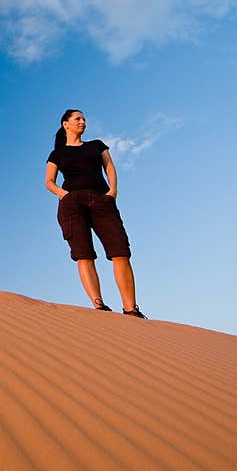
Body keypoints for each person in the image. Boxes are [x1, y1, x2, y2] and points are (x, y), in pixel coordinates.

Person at [45, 108, 147, 318]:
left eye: (83, 119)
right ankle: (99, 306)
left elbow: (110, 168)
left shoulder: (96, 145)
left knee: (120, 251)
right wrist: (63, 194)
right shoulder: (57, 153)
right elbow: (48, 182)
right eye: (77, 118)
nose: (82, 121)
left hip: (102, 201)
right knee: (84, 255)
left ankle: (131, 309)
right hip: (72, 204)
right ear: (66, 124)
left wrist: (113, 192)